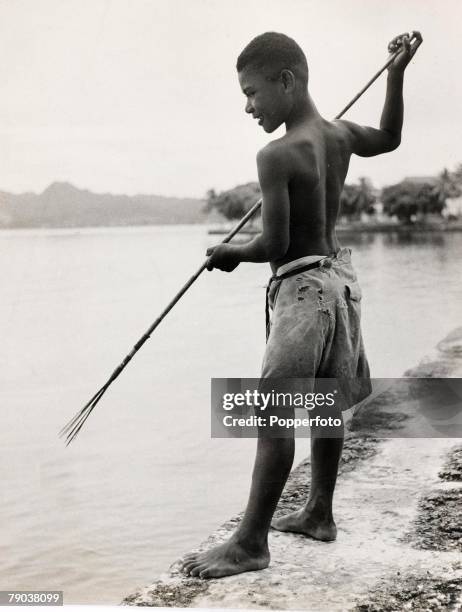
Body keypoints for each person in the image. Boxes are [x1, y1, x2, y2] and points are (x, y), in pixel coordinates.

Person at [181, 30, 422, 579]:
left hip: (303, 292)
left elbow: (278, 246)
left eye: (252, 92)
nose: (247, 106)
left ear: (286, 81)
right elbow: (388, 137)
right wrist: (396, 74)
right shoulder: (337, 136)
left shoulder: (276, 154)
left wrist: (230, 253)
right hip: (340, 284)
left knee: (273, 412)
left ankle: (250, 543)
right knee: (326, 404)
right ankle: (318, 512)